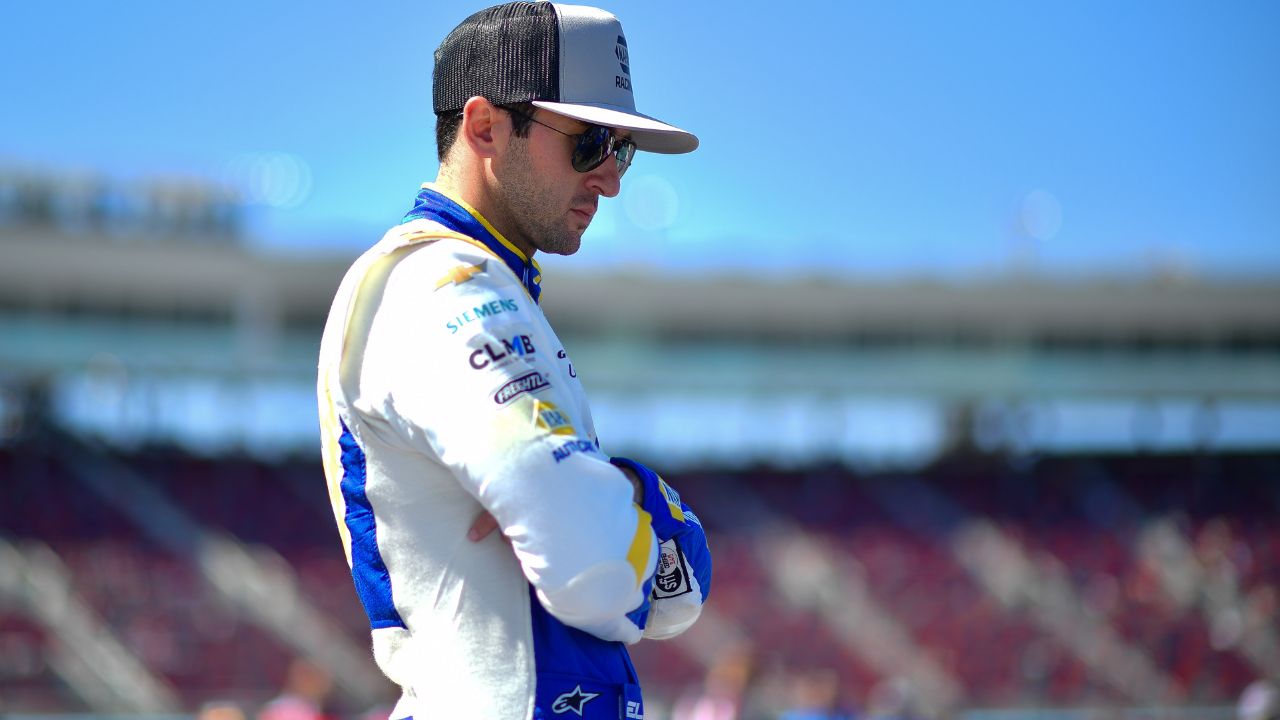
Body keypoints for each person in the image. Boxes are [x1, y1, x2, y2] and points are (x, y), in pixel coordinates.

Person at [315, 3, 711, 718]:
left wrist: (607, 502)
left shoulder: (481, 282)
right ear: (484, 127)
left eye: (622, 149)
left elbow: (579, 534)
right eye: (590, 142)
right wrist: (662, 527)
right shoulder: (438, 280)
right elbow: (591, 558)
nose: (613, 178)